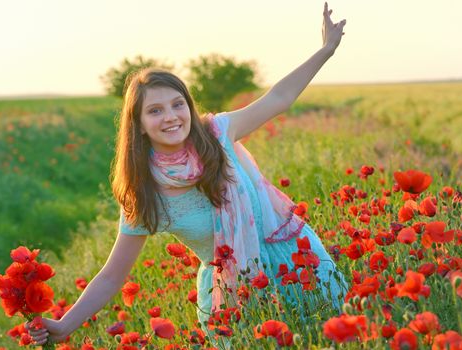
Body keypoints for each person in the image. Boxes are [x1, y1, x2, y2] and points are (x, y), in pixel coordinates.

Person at [27, 2, 348, 346]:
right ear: (138, 124)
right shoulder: (144, 193)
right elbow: (111, 276)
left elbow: (280, 97)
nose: (171, 117)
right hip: (236, 298)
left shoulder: (218, 133)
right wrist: (65, 324)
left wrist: (326, 50)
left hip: (297, 265)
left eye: (178, 104)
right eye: (155, 110)